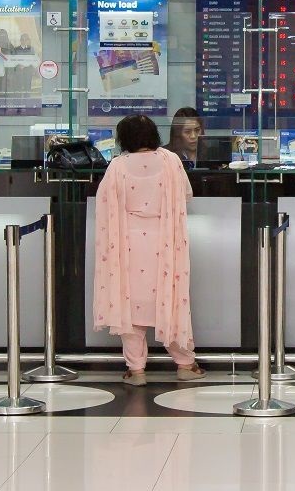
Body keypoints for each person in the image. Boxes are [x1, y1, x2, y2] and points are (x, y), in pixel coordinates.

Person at [92, 113, 207, 385]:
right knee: (172, 301)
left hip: (127, 244)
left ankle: (136, 370)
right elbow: (186, 195)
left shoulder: (117, 166)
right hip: (165, 241)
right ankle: (185, 364)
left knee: (130, 306)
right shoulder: (170, 161)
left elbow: (104, 202)